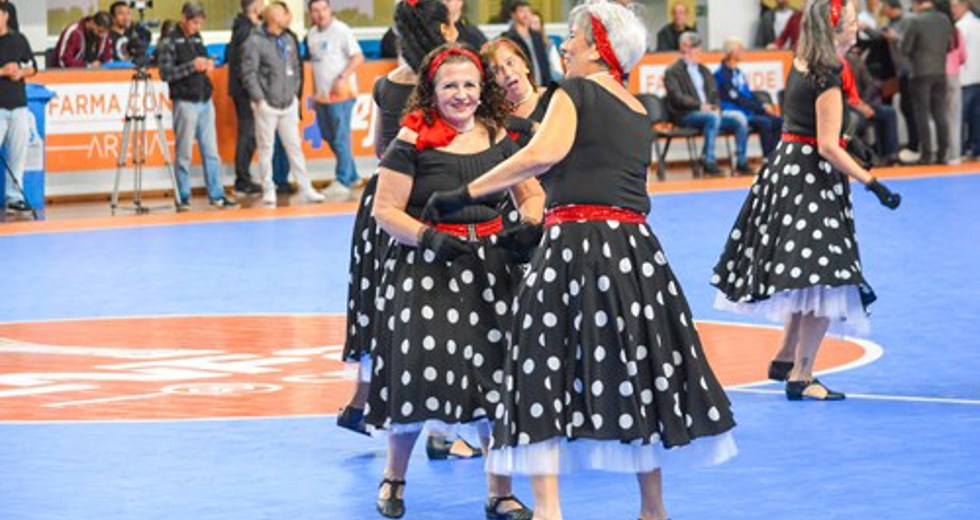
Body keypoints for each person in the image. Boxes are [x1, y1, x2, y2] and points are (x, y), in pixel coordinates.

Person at [423, 3, 738, 520]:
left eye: (572, 37)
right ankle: (653, 509)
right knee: (638, 374)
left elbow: (538, 156)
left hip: (577, 247)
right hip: (637, 255)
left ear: (598, 46)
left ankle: (549, 512)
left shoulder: (577, 92)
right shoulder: (637, 108)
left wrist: (462, 193)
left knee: (539, 371)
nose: (564, 46)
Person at [367, 42, 539, 520]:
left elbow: (531, 190)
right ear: (432, 90)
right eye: (450, 86)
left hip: (491, 265)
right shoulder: (413, 137)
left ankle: (498, 491)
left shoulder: (498, 134)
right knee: (416, 371)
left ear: (482, 89)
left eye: (469, 84)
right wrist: (427, 238)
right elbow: (385, 211)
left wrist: (529, 224)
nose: (461, 95)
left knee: (495, 377)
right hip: (427, 268)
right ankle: (393, 478)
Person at [713, 0, 901, 402]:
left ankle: (785, 357)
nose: (857, 28)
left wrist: (847, 143)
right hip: (812, 180)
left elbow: (808, 128)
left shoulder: (801, 64)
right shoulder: (828, 77)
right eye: (851, 23)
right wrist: (872, 181)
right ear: (836, 31)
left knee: (805, 274)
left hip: (785, 171)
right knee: (828, 276)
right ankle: (803, 374)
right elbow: (829, 148)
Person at [336, 0, 458, 439]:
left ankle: (361, 400)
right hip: (426, 204)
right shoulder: (447, 84)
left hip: (380, 204)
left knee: (378, 301)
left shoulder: (387, 84)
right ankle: (446, 431)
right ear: (441, 30)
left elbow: (376, 150)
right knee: (444, 309)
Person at [241, 2, 326, 206]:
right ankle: (268, 189)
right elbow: (248, 72)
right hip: (267, 104)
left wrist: (294, 93)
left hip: (288, 102)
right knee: (266, 148)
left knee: (294, 147)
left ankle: (305, 187)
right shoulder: (255, 41)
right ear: (272, 17)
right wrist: (259, 98)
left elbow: (296, 68)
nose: (288, 16)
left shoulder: (288, 38)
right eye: (283, 13)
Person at [158, 2, 237, 211]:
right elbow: (165, 74)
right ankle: (183, 197)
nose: (197, 27)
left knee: (211, 152)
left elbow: (199, 62)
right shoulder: (169, 41)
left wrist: (207, 65)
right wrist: (192, 66)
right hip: (184, 102)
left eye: (200, 23)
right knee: (184, 152)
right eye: (194, 22)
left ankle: (217, 195)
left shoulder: (197, 37)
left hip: (204, 99)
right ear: (184, 17)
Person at [665, 32, 752, 175]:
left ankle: (741, 161)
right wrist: (699, 106)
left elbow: (714, 93)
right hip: (686, 114)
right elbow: (677, 97)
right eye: (689, 46)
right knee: (712, 118)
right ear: (682, 47)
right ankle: (708, 161)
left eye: (695, 47)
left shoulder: (704, 70)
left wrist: (715, 106)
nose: (693, 50)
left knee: (739, 119)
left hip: (709, 112)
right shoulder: (673, 71)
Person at [306, 0, 364, 202]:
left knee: (340, 137)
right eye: (315, 10)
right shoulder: (311, 35)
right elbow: (316, 67)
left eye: (323, 9)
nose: (320, 14)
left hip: (341, 95)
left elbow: (357, 57)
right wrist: (314, 93)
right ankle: (354, 175)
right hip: (323, 96)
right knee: (328, 136)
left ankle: (343, 180)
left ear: (329, 10)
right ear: (310, 14)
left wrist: (342, 77)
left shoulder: (341, 30)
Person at [902, 0, 954, 164]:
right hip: (940, 71)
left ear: (916, 4)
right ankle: (943, 153)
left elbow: (905, 48)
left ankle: (926, 155)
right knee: (940, 113)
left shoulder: (915, 21)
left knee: (922, 114)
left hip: (920, 72)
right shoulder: (944, 19)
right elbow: (950, 46)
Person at [715, 37, 783, 158]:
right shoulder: (721, 75)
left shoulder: (738, 73)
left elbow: (749, 95)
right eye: (740, 50)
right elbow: (737, 98)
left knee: (778, 121)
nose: (742, 53)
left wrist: (763, 105)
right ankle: (768, 158)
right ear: (731, 53)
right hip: (736, 112)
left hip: (748, 110)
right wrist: (761, 108)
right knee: (764, 122)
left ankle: (778, 156)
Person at [226, 0, 264, 196]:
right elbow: (247, 64)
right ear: (256, 7)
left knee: (248, 134)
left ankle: (244, 177)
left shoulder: (239, 27)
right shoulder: (247, 30)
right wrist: (253, 90)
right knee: (248, 134)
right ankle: (242, 179)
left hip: (240, 88)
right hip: (246, 90)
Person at [0, 1, 35, 212]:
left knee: (17, 154)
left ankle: (14, 197)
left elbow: (32, 66)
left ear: (5, 16)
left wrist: (20, 72)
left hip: (18, 104)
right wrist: (3, 71)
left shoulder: (19, 39)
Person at [843, 47, 900, 164]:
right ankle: (858, 156)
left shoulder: (856, 61)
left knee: (889, 112)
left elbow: (869, 84)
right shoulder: (833, 64)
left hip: (862, 102)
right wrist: (857, 105)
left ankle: (890, 154)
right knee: (857, 119)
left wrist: (864, 103)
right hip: (846, 106)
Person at [881, 0, 918, 159]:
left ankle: (914, 146)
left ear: (891, 8)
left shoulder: (908, 20)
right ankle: (913, 145)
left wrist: (895, 37)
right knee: (906, 107)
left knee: (910, 109)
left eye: (885, 6)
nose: (882, 9)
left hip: (910, 71)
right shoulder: (891, 22)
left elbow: (910, 43)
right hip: (901, 71)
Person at [938, 0, 968, 164]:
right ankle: (955, 155)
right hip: (954, 76)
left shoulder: (936, 31)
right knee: (954, 117)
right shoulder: (956, 31)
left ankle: (941, 152)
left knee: (938, 116)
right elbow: (963, 56)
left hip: (938, 75)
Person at [502, 0, 553, 86]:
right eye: (521, 11)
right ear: (513, 15)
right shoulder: (508, 38)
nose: (526, 15)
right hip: (521, 84)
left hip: (541, 83)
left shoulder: (537, 36)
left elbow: (544, 62)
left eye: (528, 11)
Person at [954, 0, 980, 158]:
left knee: (961, 117)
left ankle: (962, 149)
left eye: (955, 6)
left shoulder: (960, 27)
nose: (953, 10)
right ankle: (976, 149)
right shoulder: (978, 23)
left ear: (965, 6)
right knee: (977, 116)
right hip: (978, 77)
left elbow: (958, 54)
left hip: (965, 77)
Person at [529, 10, 564, 81]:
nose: (532, 26)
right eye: (530, 23)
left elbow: (557, 70)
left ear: (541, 26)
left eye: (536, 23)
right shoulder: (522, 44)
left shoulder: (549, 45)